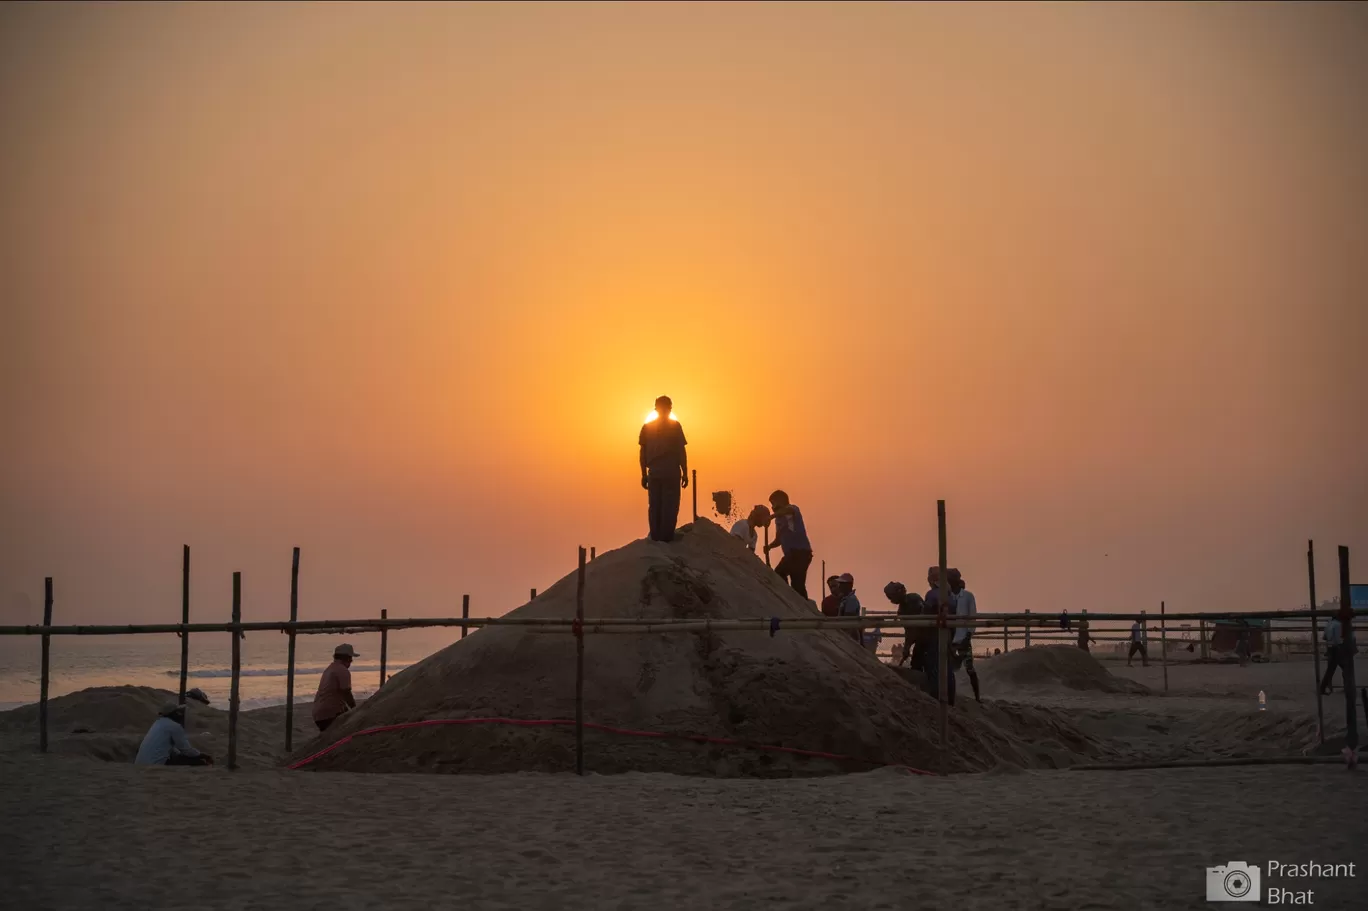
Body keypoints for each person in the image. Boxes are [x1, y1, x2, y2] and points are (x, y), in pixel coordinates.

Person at [639, 396, 688, 543]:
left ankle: (656, 538)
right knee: (670, 506)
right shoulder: (675, 426)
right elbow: (681, 451)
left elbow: (642, 454)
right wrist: (685, 472)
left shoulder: (646, 428)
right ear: (669, 408)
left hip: (655, 473)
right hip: (671, 472)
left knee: (655, 506)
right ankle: (665, 539)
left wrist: (643, 474)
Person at [763, 490, 813, 599]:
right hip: (791, 555)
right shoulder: (779, 519)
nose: (772, 507)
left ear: (781, 500)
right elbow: (779, 540)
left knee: (793, 581)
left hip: (800, 553)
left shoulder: (792, 509)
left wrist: (771, 517)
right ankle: (792, 598)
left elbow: (786, 510)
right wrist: (770, 546)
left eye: (773, 503)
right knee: (790, 580)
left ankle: (798, 603)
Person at [134, 702, 212, 767]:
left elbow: (170, 748)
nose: (181, 715)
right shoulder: (174, 726)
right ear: (174, 714)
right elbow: (187, 750)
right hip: (156, 765)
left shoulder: (157, 723)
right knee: (199, 763)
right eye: (178, 712)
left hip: (140, 764)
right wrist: (202, 755)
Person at [922, 566, 957, 705]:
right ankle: (950, 699)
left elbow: (926, 613)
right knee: (947, 666)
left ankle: (937, 698)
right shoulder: (951, 595)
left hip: (935, 633)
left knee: (934, 665)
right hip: (949, 633)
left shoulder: (932, 595)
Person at [949, 568, 981, 703]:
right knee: (949, 670)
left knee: (970, 669)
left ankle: (977, 697)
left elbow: (972, 618)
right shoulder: (947, 596)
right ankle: (952, 696)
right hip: (950, 639)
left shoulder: (968, 596)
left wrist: (968, 637)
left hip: (963, 638)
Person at [313, 643, 359, 732]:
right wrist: (355, 710)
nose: (351, 661)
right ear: (346, 658)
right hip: (329, 714)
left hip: (318, 713)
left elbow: (338, 694)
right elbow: (346, 693)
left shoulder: (330, 668)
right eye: (350, 659)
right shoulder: (342, 670)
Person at [884, 581, 927, 669]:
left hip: (928, 635)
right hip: (920, 638)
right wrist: (907, 647)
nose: (891, 600)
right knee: (916, 664)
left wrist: (907, 646)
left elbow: (917, 624)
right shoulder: (901, 610)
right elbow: (908, 630)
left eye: (891, 597)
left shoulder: (914, 599)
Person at [830, 573, 862, 645]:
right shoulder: (845, 599)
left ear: (848, 585)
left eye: (841, 584)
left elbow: (848, 621)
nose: (839, 586)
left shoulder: (851, 600)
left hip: (850, 637)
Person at [1320, 616, 1344, 695]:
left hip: (1330, 648)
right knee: (1346, 668)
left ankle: (1323, 688)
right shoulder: (1338, 625)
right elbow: (1338, 639)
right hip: (1336, 648)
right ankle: (1347, 687)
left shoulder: (1328, 624)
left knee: (1330, 669)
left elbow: (1324, 637)